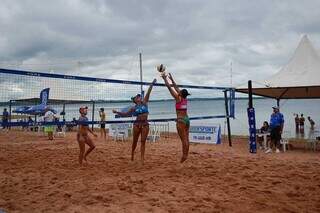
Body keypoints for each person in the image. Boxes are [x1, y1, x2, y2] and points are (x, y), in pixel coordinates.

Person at [112, 79, 156, 165]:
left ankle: (142, 159)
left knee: (143, 141)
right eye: (137, 97)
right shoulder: (133, 108)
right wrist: (117, 112)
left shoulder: (145, 103)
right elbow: (125, 114)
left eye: (139, 96)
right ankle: (132, 154)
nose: (139, 97)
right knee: (134, 141)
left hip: (145, 124)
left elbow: (149, 92)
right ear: (135, 100)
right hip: (137, 124)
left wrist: (152, 83)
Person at [161, 72, 190, 163]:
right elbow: (176, 87)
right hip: (187, 119)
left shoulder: (178, 98)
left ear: (180, 94)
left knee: (183, 140)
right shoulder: (184, 98)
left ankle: (184, 155)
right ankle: (186, 154)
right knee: (187, 139)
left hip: (181, 120)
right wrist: (172, 79)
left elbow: (169, 88)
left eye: (180, 91)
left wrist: (164, 78)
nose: (178, 91)